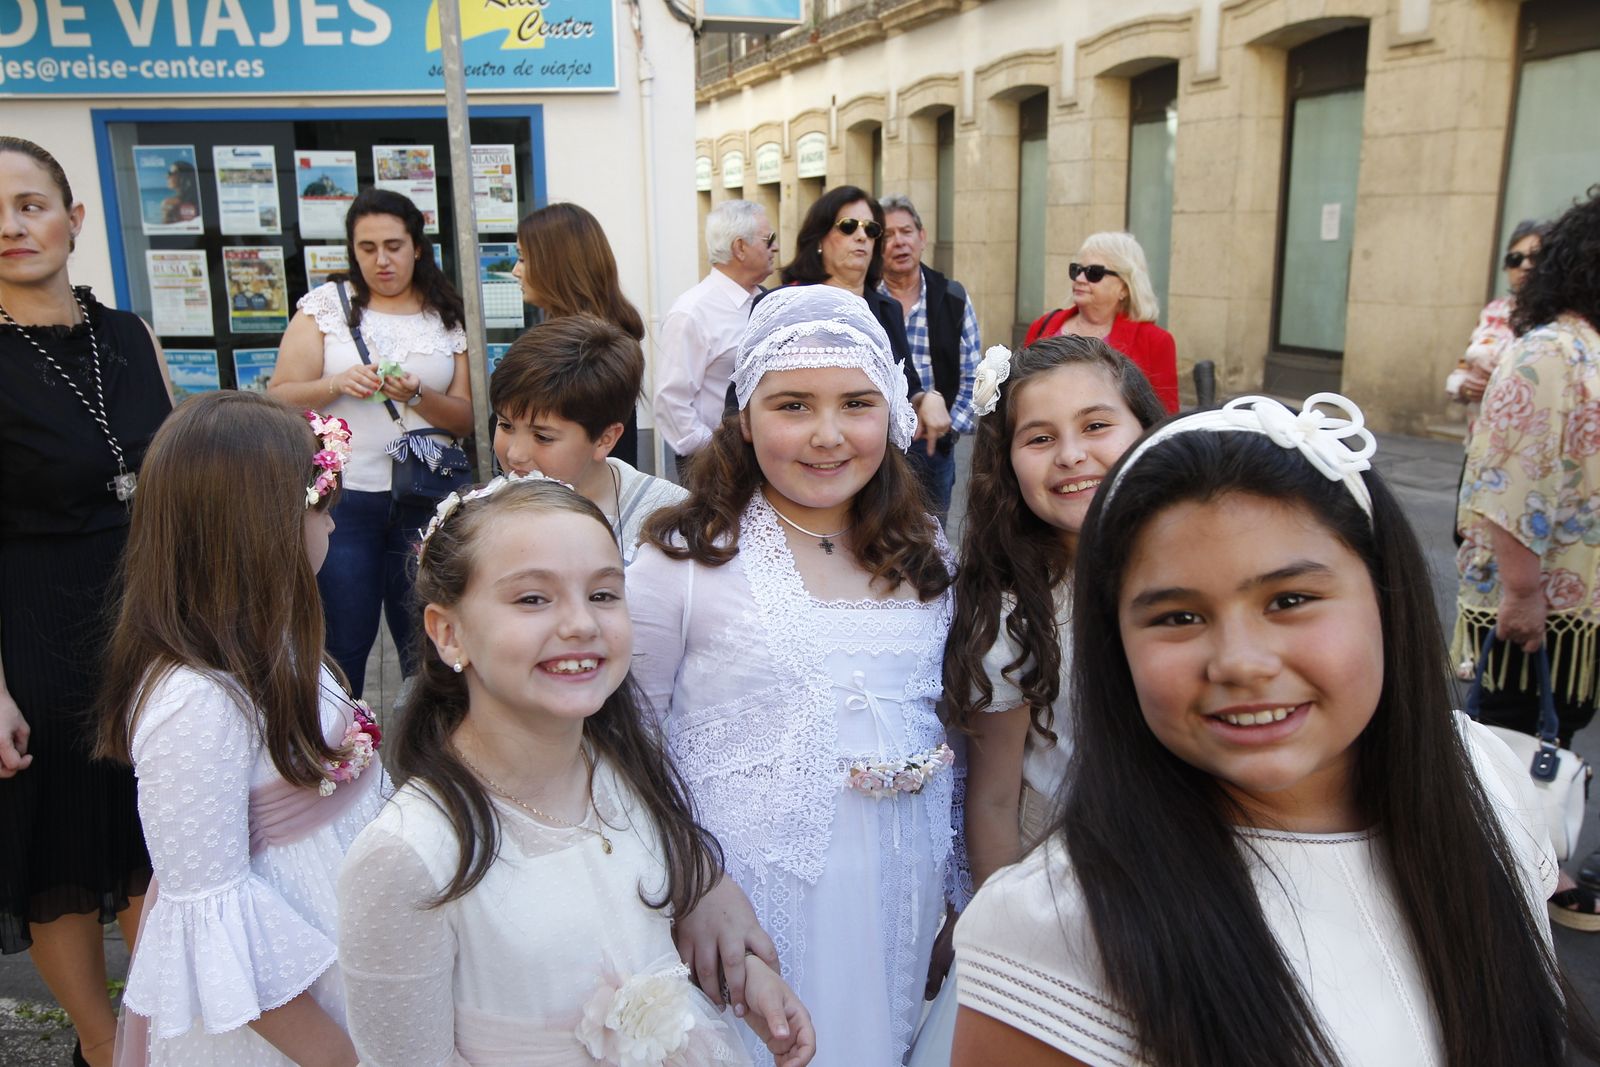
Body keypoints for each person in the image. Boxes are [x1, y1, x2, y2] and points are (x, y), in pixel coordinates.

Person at [951, 393, 1594, 1067]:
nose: (1240, 663)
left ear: (1384, 597)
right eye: (1176, 616)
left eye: (1289, 600)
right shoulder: (1053, 934)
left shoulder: (1483, 779)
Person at [336, 475, 814, 1066]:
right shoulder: (409, 855)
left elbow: (638, 939)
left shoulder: (621, 768)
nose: (581, 625)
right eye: (532, 599)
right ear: (448, 632)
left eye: (604, 595)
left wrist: (738, 987)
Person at [631, 284, 956, 1064]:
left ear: (893, 413)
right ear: (745, 417)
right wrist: (695, 881)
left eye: (855, 403)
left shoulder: (930, 552)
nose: (827, 435)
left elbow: (950, 728)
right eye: (793, 406)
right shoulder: (682, 557)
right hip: (743, 907)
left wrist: (956, 896)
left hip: (897, 892)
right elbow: (624, 739)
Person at [98, 392, 386, 1066]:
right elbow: (208, 914)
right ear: (263, 523)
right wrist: (337, 1054)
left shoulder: (276, 641)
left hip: (339, 920)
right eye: (322, 506)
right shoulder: (193, 699)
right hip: (288, 999)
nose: (334, 524)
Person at [0, 136, 171, 1067]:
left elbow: (174, 476)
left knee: (160, 833)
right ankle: (103, 1047)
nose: (10, 226)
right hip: (32, 624)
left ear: (73, 217)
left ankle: (160, 1027)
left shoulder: (130, 335)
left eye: (29, 203)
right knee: (61, 856)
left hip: (145, 617)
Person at [944, 337, 1166, 890]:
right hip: (1072, 877)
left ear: (1146, 428)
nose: (1070, 454)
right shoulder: (1013, 611)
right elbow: (994, 800)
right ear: (1006, 463)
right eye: (1040, 438)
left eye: (1095, 426)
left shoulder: (1206, 568)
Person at [1455, 187, 1600, 927]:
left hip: (1575, 602)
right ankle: (1496, 892)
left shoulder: (1581, 346)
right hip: (1537, 599)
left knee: (1551, 728)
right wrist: (1520, 590)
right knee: (1510, 737)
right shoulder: (1548, 349)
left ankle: (1531, 868)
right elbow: (1510, 477)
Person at [270, 187, 474, 698]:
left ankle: (428, 762)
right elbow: (278, 399)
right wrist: (336, 384)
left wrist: (419, 393)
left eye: (393, 245)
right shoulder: (326, 308)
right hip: (344, 500)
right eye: (367, 248)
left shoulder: (446, 314)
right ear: (352, 251)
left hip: (426, 499)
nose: (381, 260)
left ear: (417, 247)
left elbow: (468, 419)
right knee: (342, 644)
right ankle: (341, 756)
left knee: (428, 646)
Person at [490, 314, 687, 563]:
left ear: (605, 439)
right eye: (506, 425)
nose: (514, 454)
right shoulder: (486, 515)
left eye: (542, 436)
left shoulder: (668, 517)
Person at [778, 185, 952, 460]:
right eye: (848, 226)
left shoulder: (887, 308)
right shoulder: (785, 303)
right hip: (807, 452)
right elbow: (742, 398)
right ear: (820, 239)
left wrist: (927, 398)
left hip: (876, 458)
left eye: (870, 229)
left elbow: (907, 383)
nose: (861, 236)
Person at [512, 202, 647, 467]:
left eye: (523, 258)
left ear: (555, 264)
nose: (515, 271)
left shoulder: (589, 349)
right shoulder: (597, 334)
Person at [877, 194, 982, 521]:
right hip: (878, 446)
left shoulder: (952, 296)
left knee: (930, 542)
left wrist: (950, 427)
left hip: (934, 448)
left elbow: (974, 377)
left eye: (906, 232)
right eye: (887, 235)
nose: (899, 242)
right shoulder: (863, 301)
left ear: (922, 238)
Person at [655, 199, 776, 469]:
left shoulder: (768, 302)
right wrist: (715, 451)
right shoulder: (691, 313)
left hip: (765, 461)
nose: (776, 247)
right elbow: (670, 400)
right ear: (740, 247)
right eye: (769, 239)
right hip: (715, 466)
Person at [1023, 232, 1178, 413]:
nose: (1080, 279)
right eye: (1077, 270)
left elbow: (1164, 417)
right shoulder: (1043, 325)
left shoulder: (1156, 341)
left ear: (1124, 287)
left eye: (1094, 273)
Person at [1446, 219, 1546, 412]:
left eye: (1535, 258)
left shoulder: (1558, 318)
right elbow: (1462, 368)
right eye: (1515, 259)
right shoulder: (1493, 311)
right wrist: (1464, 389)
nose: (1525, 265)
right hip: (1480, 432)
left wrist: (1501, 384)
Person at [159, 160, 198, 227]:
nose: (167, 176)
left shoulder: (170, 203)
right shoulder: (198, 199)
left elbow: (166, 231)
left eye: (170, 173)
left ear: (183, 176)